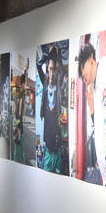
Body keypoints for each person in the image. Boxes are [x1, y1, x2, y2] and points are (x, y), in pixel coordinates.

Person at [78, 42, 106, 185]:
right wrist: (91, 107)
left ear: (90, 59)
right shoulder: (96, 88)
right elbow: (100, 127)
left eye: (82, 69)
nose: (83, 76)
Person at [37, 45, 64, 173]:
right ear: (47, 69)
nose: (52, 74)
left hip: (56, 122)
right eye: (50, 69)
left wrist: (58, 55)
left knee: (56, 147)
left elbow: (62, 72)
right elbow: (38, 65)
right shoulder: (45, 80)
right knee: (48, 146)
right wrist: (47, 55)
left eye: (54, 69)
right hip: (48, 121)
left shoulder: (58, 81)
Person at [13, 69, 27, 163]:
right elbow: (20, 107)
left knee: (19, 140)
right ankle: (21, 159)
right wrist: (19, 119)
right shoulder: (21, 93)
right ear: (22, 84)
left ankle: (21, 159)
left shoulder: (18, 93)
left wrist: (16, 117)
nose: (25, 86)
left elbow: (15, 107)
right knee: (19, 139)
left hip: (17, 117)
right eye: (24, 84)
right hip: (19, 118)